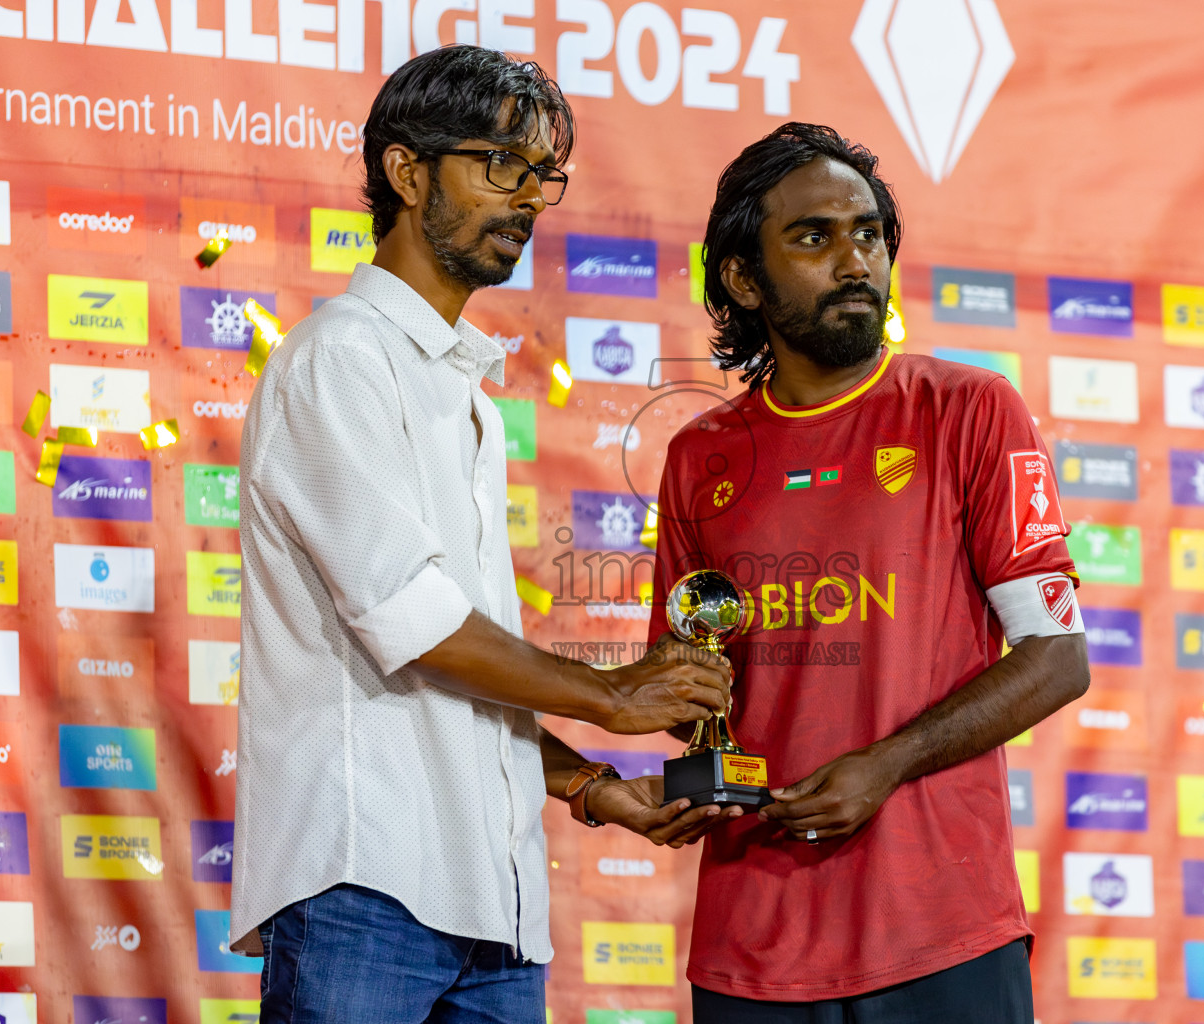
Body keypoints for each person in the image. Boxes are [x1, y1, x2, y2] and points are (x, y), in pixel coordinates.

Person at [231, 46, 733, 1024]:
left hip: (496, 908)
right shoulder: (339, 359)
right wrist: (612, 693)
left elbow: (454, 674)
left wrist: (589, 785)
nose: (531, 197)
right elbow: (413, 623)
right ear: (406, 172)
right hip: (362, 887)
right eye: (501, 163)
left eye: (544, 172)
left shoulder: (464, 390)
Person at [645, 123, 1093, 1022]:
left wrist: (885, 765)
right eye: (814, 237)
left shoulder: (970, 409)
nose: (855, 260)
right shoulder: (699, 454)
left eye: (870, 234)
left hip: (941, 930)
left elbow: (1057, 656)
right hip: (752, 945)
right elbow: (684, 680)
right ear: (743, 278)